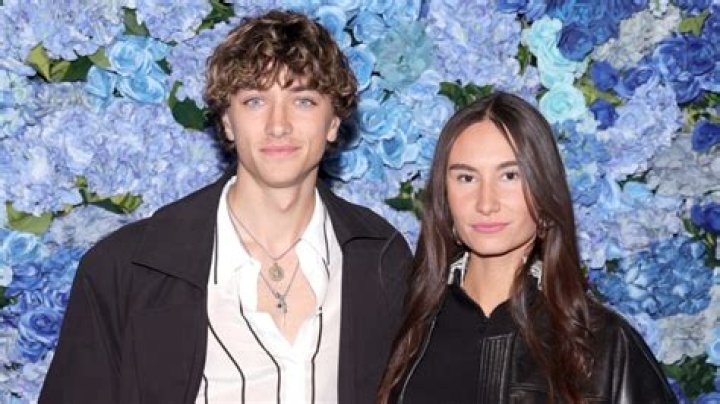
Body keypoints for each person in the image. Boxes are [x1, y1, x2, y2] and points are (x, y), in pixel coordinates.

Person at [40, 10, 412, 404]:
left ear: (333, 121)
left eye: (303, 100)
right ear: (228, 121)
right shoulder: (126, 269)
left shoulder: (381, 256)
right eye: (255, 101)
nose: (278, 125)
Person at [377, 91, 676, 404]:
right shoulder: (403, 328)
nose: (486, 203)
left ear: (544, 190)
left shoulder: (605, 343)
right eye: (466, 178)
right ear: (444, 196)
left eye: (510, 176)